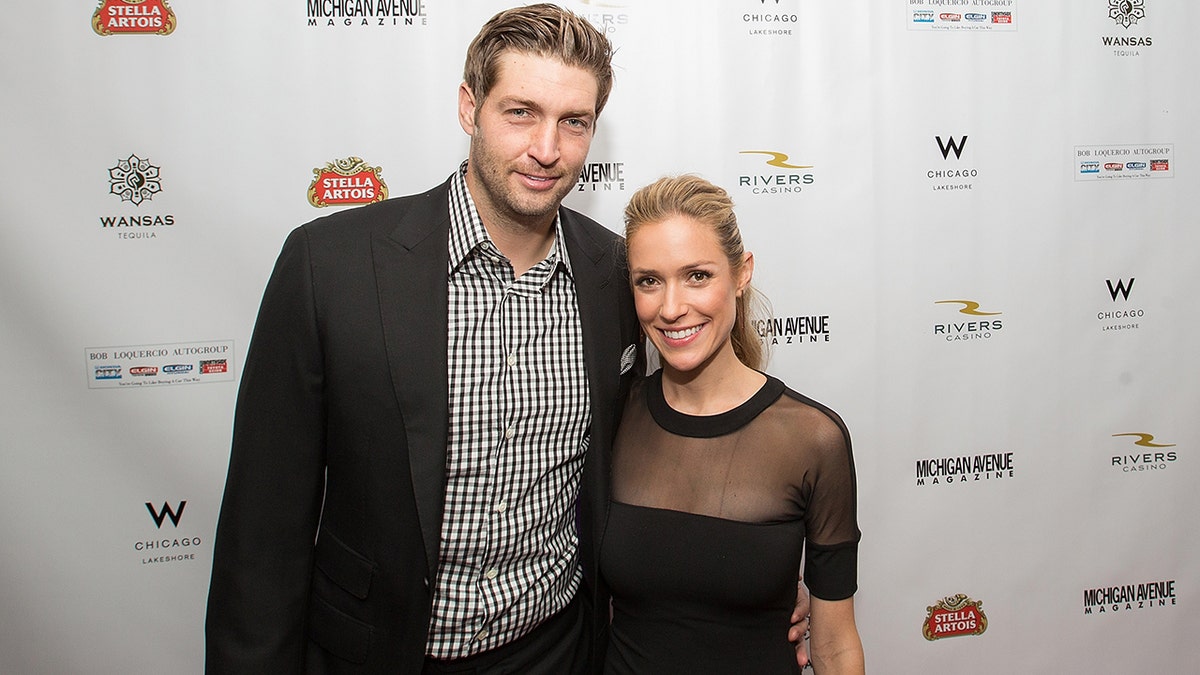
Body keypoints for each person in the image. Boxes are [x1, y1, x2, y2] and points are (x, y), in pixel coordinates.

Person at [206, 4, 810, 673]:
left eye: (573, 122)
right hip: (378, 654)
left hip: (556, 651)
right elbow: (262, 535)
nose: (547, 149)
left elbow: (668, 441)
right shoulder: (332, 266)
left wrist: (760, 575)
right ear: (470, 107)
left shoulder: (617, 276)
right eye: (521, 112)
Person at [601, 175, 865, 674]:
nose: (672, 307)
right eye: (649, 281)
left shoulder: (813, 440)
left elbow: (834, 646)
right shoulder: (614, 415)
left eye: (697, 275)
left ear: (741, 273)